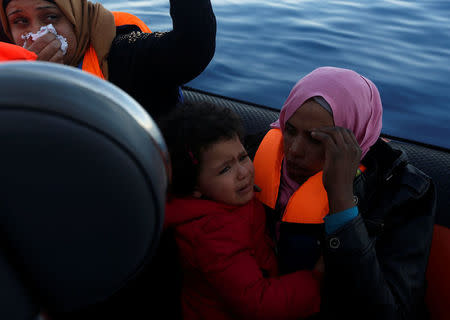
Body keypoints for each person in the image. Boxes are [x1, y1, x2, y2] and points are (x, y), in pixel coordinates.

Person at [253, 66, 436, 319]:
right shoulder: (246, 160)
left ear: (354, 140)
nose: (294, 150)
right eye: (290, 130)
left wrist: (342, 201)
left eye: (316, 139)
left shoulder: (403, 193)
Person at [160, 102, 323, 320]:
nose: (243, 173)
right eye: (225, 169)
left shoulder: (224, 201)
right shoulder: (213, 232)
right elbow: (257, 303)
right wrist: (316, 281)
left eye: (243, 157)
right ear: (194, 187)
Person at [0, 0, 216, 120]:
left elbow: (191, 48)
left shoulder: (123, 53)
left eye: (51, 17)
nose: (37, 32)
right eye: (20, 21)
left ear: (76, 16)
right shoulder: (8, 69)